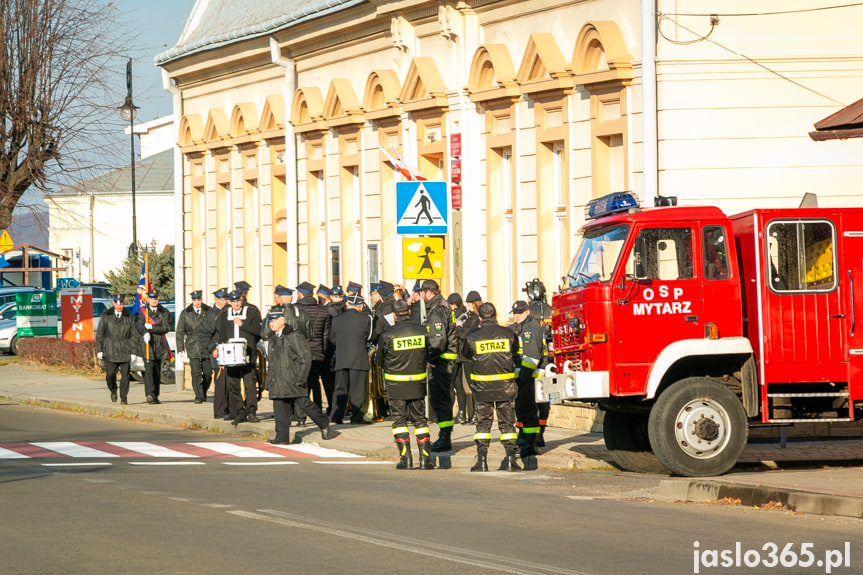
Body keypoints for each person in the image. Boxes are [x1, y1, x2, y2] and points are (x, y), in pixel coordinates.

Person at [376, 300, 434, 470]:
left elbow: (379, 360)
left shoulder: (387, 334)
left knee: (399, 421)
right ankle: (425, 460)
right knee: (420, 421)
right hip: (417, 383)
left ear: (394, 315)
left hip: (396, 385)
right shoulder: (422, 331)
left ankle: (406, 460)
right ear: (408, 311)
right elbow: (430, 353)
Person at [463, 302, 520, 472]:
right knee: (507, 424)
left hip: (482, 388)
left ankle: (482, 461)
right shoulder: (509, 333)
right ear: (495, 315)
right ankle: (511, 460)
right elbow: (515, 352)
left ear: (480, 317)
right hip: (505, 387)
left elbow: (466, 355)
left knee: (483, 424)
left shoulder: (472, 336)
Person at [265, 310, 331, 444]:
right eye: (270, 321)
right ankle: (281, 436)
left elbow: (305, 357)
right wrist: (268, 380)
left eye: (274, 321)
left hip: (293, 378)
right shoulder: (273, 338)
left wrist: (301, 378)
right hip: (278, 379)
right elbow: (272, 362)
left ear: (282, 321)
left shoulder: (294, 335)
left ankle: (323, 423)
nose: (271, 324)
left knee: (304, 403)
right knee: (280, 407)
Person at [420, 279, 459, 451]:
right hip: (445, 359)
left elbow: (438, 338)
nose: (421, 297)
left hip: (441, 361)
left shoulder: (437, 310)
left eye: (422, 293)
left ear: (429, 292)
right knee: (441, 399)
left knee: (440, 400)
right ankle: (445, 436)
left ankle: (445, 438)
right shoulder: (441, 306)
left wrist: (433, 360)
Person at [509, 300, 546, 470]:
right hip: (525, 376)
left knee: (528, 411)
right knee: (523, 410)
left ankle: (529, 446)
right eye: (514, 313)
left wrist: (523, 377)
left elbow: (531, 357)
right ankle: (525, 440)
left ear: (527, 312)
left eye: (519, 313)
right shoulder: (521, 326)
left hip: (530, 377)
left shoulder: (530, 328)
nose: (516, 316)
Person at [216, 290, 262, 425]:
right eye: (233, 301)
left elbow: (258, 332)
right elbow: (222, 335)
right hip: (231, 355)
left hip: (248, 354)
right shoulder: (224, 314)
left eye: (238, 300)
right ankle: (238, 411)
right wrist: (221, 355)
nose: (236, 303)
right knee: (233, 385)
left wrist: (242, 324)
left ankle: (251, 411)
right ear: (229, 301)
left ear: (242, 300)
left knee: (250, 384)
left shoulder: (252, 311)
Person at [328, 293, 372, 425]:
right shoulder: (366, 319)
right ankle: (357, 417)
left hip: (342, 358)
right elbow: (370, 337)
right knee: (357, 390)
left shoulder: (336, 319)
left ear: (347, 304)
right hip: (359, 358)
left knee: (340, 389)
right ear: (359, 306)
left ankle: (336, 416)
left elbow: (332, 338)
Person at [95, 294, 139, 405]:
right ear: (113, 303)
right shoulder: (106, 316)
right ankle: (113, 389)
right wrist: (99, 350)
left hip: (125, 349)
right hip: (111, 349)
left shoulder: (129, 317)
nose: (119, 306)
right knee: (110, 374)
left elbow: (134, 336)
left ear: (124, 303)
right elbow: (100, 334)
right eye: (117, 303)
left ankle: (124, 397)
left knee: (125, 376)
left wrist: (134, 351)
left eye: (121, 303)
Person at [295, 281, 331, 411]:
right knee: (314, 381)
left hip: (299, 352)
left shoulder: (295, 310)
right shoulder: (323, 310)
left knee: (300, 382)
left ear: (300, 294)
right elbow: (325, 335)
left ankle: (300, 412)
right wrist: (323, 352)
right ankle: (317, 408)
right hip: (317, 351)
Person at [197, 287, 231, 419]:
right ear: (215, 299)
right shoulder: (212, 314)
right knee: (221, 382)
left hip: (230, 351)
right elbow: (203, 334)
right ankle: (220, 410)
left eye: (226, 298)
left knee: (230, 382)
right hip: (218, 352)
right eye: (221, 299)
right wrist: (212, 348)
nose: (224, 301)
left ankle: (230, 408)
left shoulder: (229, 311)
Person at [136, 290, 172, 405]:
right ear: (148, 300)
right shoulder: (143, 312)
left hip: (159, 345)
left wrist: (152, 328)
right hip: (147, 345)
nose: (154, 301)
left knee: (157, 372)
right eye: (152, 299)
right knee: (149, 370)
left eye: (156, 299)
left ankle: (156, 395)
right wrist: (144, 332)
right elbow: (138, 324)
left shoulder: (164, 312)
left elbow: (166, 327)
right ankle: (149, 394)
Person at [176, 290, 212, 404]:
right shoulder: (186, 313)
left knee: (207, 372)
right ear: (192, 300)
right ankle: (198, 395)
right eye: (195, 300)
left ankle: (203, 390)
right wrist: (180, 348)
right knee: (195, 372)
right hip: (193, 344)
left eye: (199, 300)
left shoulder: (208, 311)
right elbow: (180, 331)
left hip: (206, 344)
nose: (197, 302)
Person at [457, 290, 483, 424]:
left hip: (469, 357)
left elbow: (465, 335)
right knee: (474, 386)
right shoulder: (476, 317)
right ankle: (475, 414)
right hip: (472, 356)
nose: (467, 306)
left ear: (473, 304)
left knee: (473, 386)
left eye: (469, 304)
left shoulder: (473, 318)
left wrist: (459, 327)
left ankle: (476, 414)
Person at [447, 292, 469, 423]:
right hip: (462, 355)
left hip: (454, 353)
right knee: (459, 385)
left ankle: (448, 413)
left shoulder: (455, 316)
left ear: (453, 305)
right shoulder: (466, 314)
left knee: (450, 385)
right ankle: (462, 413)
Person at [370, 280, 396, 345]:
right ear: (393, 295)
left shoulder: (380, 315)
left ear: (381, 298)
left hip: (388, 349)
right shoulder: (401, 308)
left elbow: (376, 336)